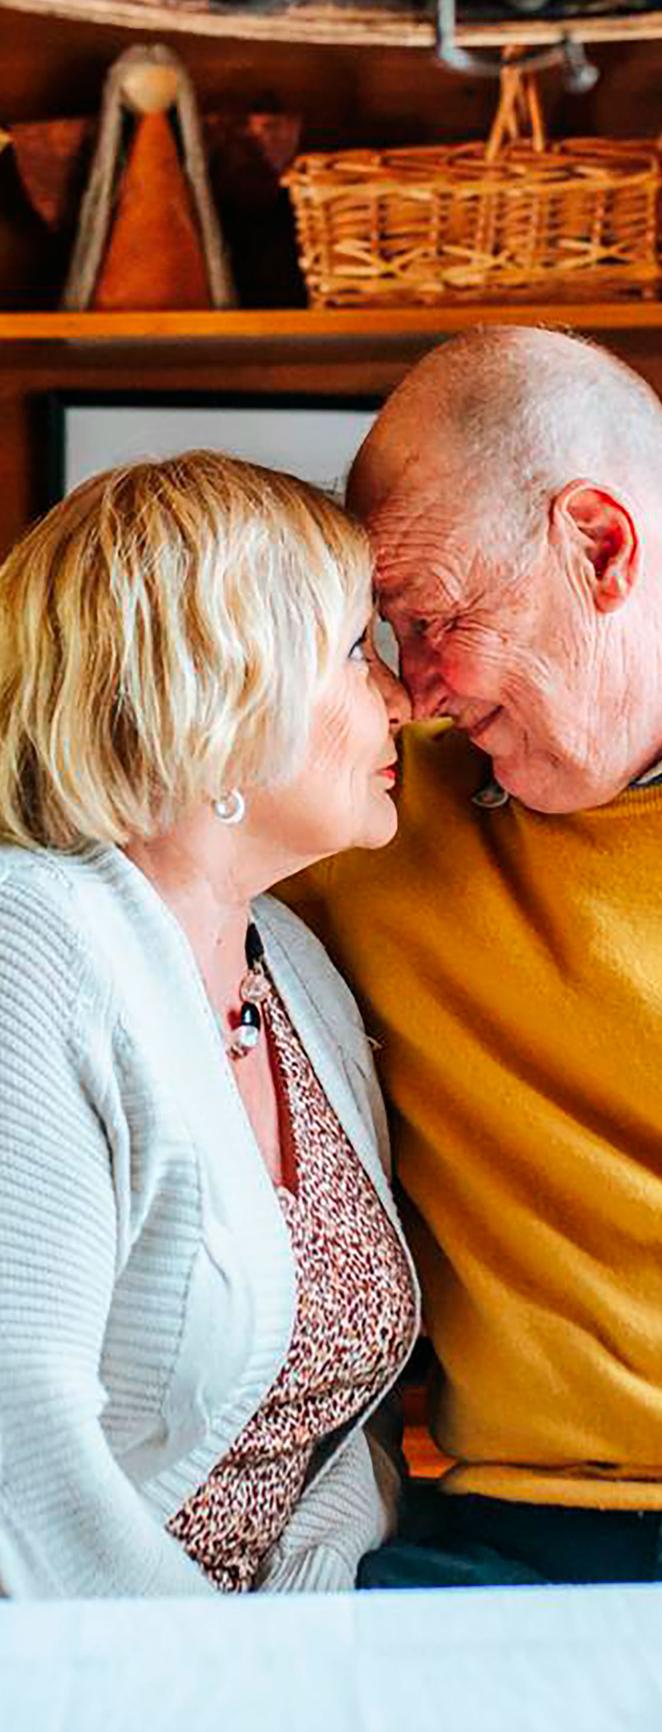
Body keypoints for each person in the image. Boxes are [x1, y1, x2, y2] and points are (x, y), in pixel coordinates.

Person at [279, 327, 662, 1586]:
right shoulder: (368, 807)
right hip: (502, 1530)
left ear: (600, 547)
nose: (416, 691)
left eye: (432, 620)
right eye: (387, 637)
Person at [0, 453, 417, 1596]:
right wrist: (206, 1680)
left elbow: (341, 1432)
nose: (399, 697)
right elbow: (16, 1438)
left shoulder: (299, 975)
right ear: (223, 687)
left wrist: (306, 1617)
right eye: (351, 652)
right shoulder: (30, 944)